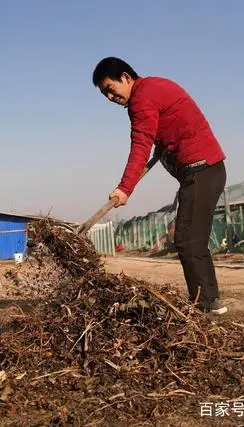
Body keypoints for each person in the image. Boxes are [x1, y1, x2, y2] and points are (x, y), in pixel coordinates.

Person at [92, 57, 228, 315]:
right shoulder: (153, 88)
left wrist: (125, 187)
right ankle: (209, 303)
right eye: (104, 94)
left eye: (110, 88)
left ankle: (207, 305)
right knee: (192, 240)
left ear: (126, 77)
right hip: (205, 169)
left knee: (188, 240)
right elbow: (171, 124)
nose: (110, 97)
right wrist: (163, 145)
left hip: (201, 169)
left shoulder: (142, 99)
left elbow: (140, 144)